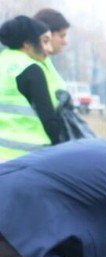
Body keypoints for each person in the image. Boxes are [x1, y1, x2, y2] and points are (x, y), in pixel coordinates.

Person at [0, 16, 60, 162]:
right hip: (29, 160)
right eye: (45, 41)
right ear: (27, 44)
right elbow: (49, 119)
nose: (49, 49)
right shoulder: (30, 69)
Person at [32, 8, 70, 108]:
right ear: (46, 34)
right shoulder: (31, 66)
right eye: (62, 36)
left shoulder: (45, 62)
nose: (65, 42)